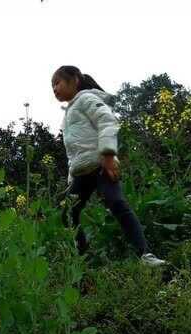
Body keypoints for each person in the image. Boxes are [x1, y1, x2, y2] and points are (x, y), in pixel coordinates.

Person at [52, 66, 165, 266]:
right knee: (69, 215)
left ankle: (145, 255)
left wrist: (108, 155)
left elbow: (107, 121)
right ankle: (83, 264)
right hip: (81, 172)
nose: (54, 88)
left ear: (74, 80)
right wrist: (71, 179)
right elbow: (74, 152)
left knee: (116, 203)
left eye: (57, 82)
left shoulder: (86, 99)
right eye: (52, 85)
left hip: (101, 166)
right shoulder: (68, 114)